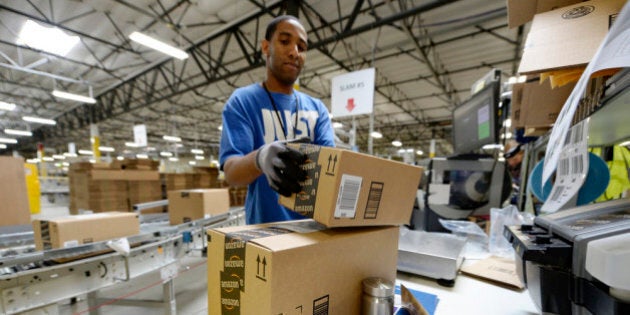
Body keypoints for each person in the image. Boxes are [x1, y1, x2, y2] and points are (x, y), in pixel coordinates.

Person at [219, 15, 335, 224]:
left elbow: (331, 168)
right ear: (265, 47)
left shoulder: (317, 109)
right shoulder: (243, 102)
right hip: (265, 235)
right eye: (284, 41)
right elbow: (232, 174)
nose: (294, 52)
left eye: (301, 47)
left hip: (313, 231)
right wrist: (260, 158)